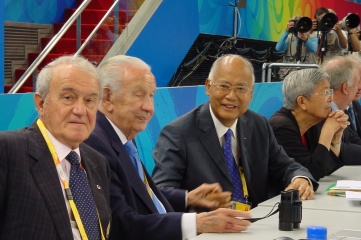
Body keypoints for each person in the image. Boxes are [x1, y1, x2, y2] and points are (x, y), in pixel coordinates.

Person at [85, 55, 252, 240]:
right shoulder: (95, 144)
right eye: (139, 94)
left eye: (151, 95)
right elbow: (119, 224)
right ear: (107, 97)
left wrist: (188, 198)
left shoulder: (121, 136)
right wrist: (197, 223)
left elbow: (139, 195)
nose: (149, 107)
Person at [152, 54, 318, 209]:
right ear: (208, 87)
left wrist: (300, 179)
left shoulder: (258, 124)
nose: (231, 96)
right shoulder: (178, 133)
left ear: (251, 93)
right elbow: (160, 192)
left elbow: (286, 165)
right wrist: (189, 197)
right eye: (224, 86)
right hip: (209, 229)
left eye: (241, 88)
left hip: (255, 223)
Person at [0, 55, 111, 239]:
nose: (80, 110)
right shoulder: (9, 150)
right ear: (41, 103)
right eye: (68, 98)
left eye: (89, 101)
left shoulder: (97, 162)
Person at [269, 68, 349, 181]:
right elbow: (310, 173)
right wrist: (328, 131)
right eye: (325, 92)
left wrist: (335, 137)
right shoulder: (281, 127)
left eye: (330, 92)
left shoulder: (310, 124)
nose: (331, 99)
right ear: (302, 102)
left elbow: (327, 168)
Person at [320, 55, 361, 164]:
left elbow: (353, 139)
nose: (358, 88)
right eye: (357, 83)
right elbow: (340, 150)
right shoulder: (321, 112)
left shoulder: (340, 109)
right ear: (345, 87)